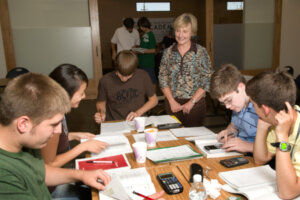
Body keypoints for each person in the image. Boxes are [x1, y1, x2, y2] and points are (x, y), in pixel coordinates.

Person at [0, 73, 111, 199]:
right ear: (23, 124)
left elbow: (41, 172)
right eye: (53, 124)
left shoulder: (24, 142)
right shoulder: (3, 177)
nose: (59, 131)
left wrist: (81, 175)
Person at [246, 69, 300, 199]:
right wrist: (262, 127)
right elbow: (260, 159)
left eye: (253, 105)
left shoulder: (282, 128)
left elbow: (288, 193)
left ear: (265, 109)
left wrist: (282, 137)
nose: (253, 110)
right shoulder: (277, 120)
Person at [41, 64, 108, 168]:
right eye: (81, 93)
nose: (84, 96)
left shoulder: (58, 110)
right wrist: (82, 147)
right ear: (65, 94)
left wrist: (74, 135)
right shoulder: (51, 119)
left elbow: (55, 140)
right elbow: (49, 165)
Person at [158, 13, 213, 127]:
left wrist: (191, 102)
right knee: (174, 138)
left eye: (185, 31)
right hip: (172, 103)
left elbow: (207, 80)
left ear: (192, 32)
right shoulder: (168, 52)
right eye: (178, 30)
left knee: (192, 139)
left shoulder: (201, 52)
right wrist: (171, 101)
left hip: (195, 104)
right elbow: (162, 78)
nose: (180, 35)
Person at [94, 50, 158, 123]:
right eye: (120, 74)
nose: (124, 79)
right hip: (114, 122)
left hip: (138, 120)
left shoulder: (143, 75)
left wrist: (138, 113)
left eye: (128, 76)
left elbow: (154, 100)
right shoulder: (105, 80)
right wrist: (101, 113)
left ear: (134, 70)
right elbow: (101, 102)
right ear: (116, 68)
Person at [210, 64, 258, 153]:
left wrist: (248, 146)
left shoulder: (261, 107)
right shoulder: (237, 105)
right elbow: (234, 126)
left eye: (229, 100)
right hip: (239, 153)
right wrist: (229, 132)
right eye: (223, 103)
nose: (227, 107)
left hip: (256, 157)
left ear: (241, 87)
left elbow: (276, 145)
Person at [135, 17, 157, 86]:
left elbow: (153, 50)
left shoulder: (151, 35)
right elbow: (143, 48)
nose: (140, 28)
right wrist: (136, 48)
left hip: (148, 63)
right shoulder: (144, 34)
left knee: (152, 80)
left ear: (144, 25)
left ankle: (154, 95)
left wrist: (140, 51)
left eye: (141, 26)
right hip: (142, 62)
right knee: (144, 81)